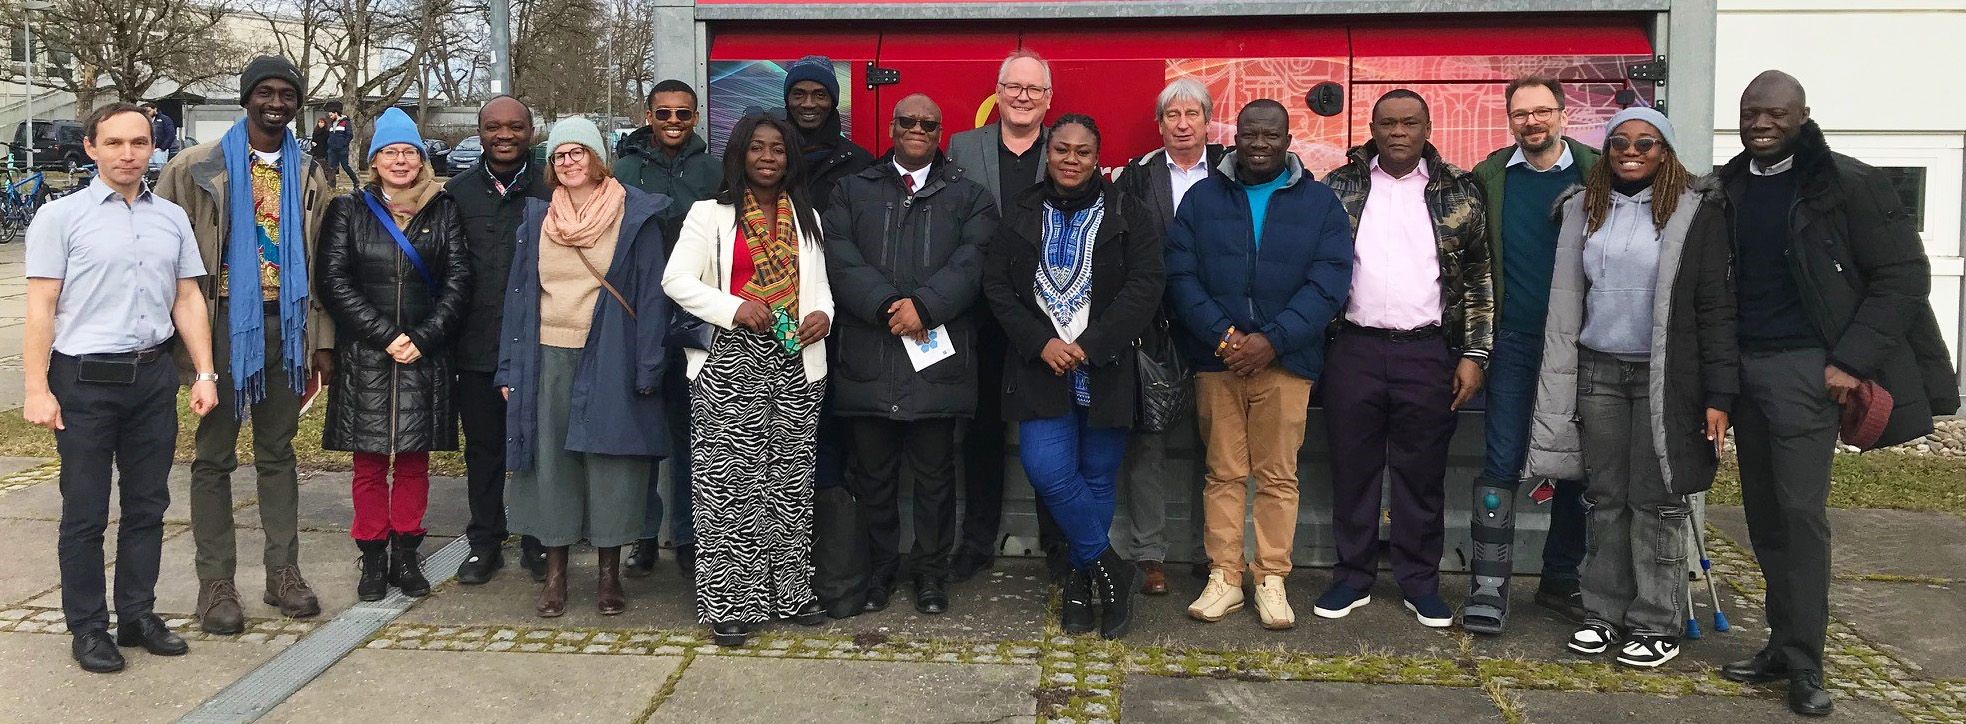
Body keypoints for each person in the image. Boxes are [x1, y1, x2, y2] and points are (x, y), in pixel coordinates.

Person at [1704, 71, 1956, 717]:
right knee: (1763, 519)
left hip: (1806, 373)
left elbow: (1904, 277)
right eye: (1751, 111)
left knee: (1801, 519)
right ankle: (1780, 646)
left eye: (1776, 112)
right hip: (1745, 371)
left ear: (1804, 115)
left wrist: (1848, 361)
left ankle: (1807, 667)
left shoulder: (1849, 184)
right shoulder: (1728, 187)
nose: (1761, 122)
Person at [1524, 107, 1736, 669]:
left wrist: (1720, 396)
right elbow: (1572, 294)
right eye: (1619, 142)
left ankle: (1655, 620)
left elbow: (1715, 307)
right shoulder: (1584, 207)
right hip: (1598, 371)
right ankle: (1602, 612)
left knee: (1657, 500)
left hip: (1667, 378)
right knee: (1606, 497)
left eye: (1646, 142)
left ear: (1665, 151)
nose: (1631, 150)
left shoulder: (1696, 212)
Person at [24, 102, 217, 673]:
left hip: (152, 378)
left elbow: (187, 298)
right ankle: (88, 627)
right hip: (83, 381)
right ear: (91, 148)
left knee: (147, 505)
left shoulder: (171, 218)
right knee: (84, 512)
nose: (128, 154)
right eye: (114, 143)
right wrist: (37, 387)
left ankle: (137, 614)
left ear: (152, 147)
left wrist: (204, 372)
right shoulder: (59, 218)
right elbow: (41, 306)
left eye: (138, 143)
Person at [156, 55, 334, 635]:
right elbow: (164, 260)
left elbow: (325, 263)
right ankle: (215, 583)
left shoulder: (311, 172)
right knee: (213, 456)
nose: (276, 102)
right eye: (265, 92)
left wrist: (322, 341)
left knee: (279, 453)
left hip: (289, 327)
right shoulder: (193, 168)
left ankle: (283, 571)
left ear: (298, 103)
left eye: (287, 93)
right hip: (221, 325)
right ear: (246, 98)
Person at [1165, 99, 1352, 630]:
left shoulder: (1320, 204)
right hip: (1217, 359)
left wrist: (1272, 340)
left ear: (1289, 139)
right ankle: (1225, 578)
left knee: (1277, 475)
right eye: (1250, 134)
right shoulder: (1203, 199)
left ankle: (1272, 579)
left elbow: (1330, 283)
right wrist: (1224, 338)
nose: (1260, 144)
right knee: (1222, 472)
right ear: (1235, 137)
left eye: (1271, 135)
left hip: (1286, 362)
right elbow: (1181, 275)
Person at [983, 114, 1164, 639]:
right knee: (1048, 471)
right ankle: (1110, 565)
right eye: (1061, 149)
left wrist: (1091, 345)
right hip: (1038, 368)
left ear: (1096, 157)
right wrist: (1041, 343)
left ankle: (1081, 585)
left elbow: (1146, 283)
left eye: (1082, 151)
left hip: (1104, 369)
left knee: (1096, 478)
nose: (1070, 159)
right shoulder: (1020, 212)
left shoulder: (1127, 212)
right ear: (1047, 153)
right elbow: (997, 287)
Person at [1317, 89, 1492, 629]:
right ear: (1372, 127)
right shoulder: (1338, 187)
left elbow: (1481, 278)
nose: (1398, 132)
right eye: (1388, 123)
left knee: (1421, 474)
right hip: (1354, 348)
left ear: (1427, 127)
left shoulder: (1458, 191)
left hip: (1427, 351)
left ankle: (1420, 581)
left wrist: (1475, 353)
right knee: (1353, 469)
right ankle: (1353, 575)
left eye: (1409, 123)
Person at [664, 114, 835, 647]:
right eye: (757, 148)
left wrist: (824, 316)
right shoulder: (709, 215)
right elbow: (677, 281)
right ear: (739, 155)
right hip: (730, 358)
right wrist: (734, 307)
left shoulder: (807, 216)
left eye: (778, 150)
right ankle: (729, 603)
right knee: (727, 488)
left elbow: (821, 287)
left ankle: (790, 594)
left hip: (795, 358)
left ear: (790, 158)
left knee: (790, 485)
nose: (768, 157)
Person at [822, 94, 996, 618]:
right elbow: (839, 255)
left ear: (942, 131)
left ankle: (930, 574)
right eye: (908, 121)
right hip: (868, 357)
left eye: (929, 122)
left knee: (935, 478)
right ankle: (878, 571)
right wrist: (883, 305)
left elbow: (973, 262)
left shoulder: (970, 196)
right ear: (892, 127)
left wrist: (924, 307)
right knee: (872, 477)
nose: (917, 129)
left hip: (936, 365)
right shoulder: (852, 190)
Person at [499, 117, 673, 618]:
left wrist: (647, 368)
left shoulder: (634, 215)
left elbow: (651, 296)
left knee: (611, 466)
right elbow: (517, 297)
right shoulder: (538, 219)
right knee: (550, 467)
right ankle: (555, 576)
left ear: (599, 157)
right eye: (558, 155)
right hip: (546, 356)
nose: (569, 161)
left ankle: (608, 575)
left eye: (578, 152)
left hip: (611, 355)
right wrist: (509, 369)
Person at [1461, 75, 1600, 634]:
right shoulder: (1491, 176)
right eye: (1521, 114)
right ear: (1509, 119)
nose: (1532, 122)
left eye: (1543, 111)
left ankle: (1560, 579)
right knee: (1501, 457)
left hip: (1585, 342)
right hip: (1513, 342)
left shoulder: (1599, 170)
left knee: (1577, 463)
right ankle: (1489, 587)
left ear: (1564, 115)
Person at [317, 107, 471, 601]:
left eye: (409, 152)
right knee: (368, 463)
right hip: (368, 353)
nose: (400, 161)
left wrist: (423, 338)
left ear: (422, 159)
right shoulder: (350, 210)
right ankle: (372, 556)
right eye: (390, 152)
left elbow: (458, 282)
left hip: (425, 353)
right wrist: (386, 336)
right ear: (374, 159)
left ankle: (406, 553)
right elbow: (335, 282)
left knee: (412, 460)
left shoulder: (443, 210)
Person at [947, 48, 1063, 583]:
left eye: (1033, 90)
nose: (1021, 97)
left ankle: (1057, 541)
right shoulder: (963, 147)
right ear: (997, 93)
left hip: (1048, 317)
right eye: (1012, 88)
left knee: (1049, 430)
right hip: (979, 315)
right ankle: (976, 540)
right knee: (981, 432)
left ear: (1048, 99)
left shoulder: (1064, 147)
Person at [1111, 78, 1225, 593]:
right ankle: (1149, 555)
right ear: (1159, 125)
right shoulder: (1136, 176)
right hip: (1154, 329)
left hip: (1218, 329)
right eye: (1172, 116)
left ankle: (1213, 555)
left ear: (1207, 121)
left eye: (1192, 115)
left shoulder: (1230, 169)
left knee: (1217, 448)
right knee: (1147, 445)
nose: (1182, 125)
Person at [614, 78, 724, 578]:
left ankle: (686, 534)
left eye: (683, 114)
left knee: (688, 435)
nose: (674, 123)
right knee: (640, 432)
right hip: (636, 314)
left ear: (696, 117)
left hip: (693, 319)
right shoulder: (624, 170)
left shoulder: (714, 170)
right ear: (648, 114)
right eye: (664, 114)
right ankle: (640, 533)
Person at [447, 95, 551, 585]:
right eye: (493, 127)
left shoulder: (552, 187)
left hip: (538, 343)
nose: (504, 135)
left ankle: (537, 539)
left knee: (535, 447)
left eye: (515, 127)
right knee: (484, 449)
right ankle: (484, 542)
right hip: (477, 343)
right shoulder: (458, 193)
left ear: (531, 131)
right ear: (480, 131)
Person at [782, 56, 874, 213]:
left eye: (820, 95)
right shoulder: (768, 158)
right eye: (799, 94)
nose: (808, 104)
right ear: (787, 99)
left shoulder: (859, 163)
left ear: (832, 101)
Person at [324, 101, 357, 187]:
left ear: (336, 113)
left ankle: (356, 181)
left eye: (331, 115)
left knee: (345, 166)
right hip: (332, 149)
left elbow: (350, 135)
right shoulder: (332, 124)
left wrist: (344, 144)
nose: (330, 117)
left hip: (342, 149)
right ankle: (331, 185)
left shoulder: (345, 122)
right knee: (331, 168)